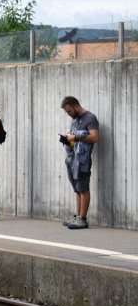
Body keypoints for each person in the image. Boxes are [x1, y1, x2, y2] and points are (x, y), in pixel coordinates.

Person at [60, 96, 100, 229]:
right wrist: (68, 137)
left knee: (83, 188)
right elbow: (74, 138)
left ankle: (82, 219)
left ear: (75, 105)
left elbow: (95, 137)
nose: (68, 114)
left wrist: (75, 137)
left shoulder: (90, 118)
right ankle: (77, 216)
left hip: (82, 160)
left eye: (69, 111)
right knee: (77, 189)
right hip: (71, 158)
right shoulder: (75, 120)